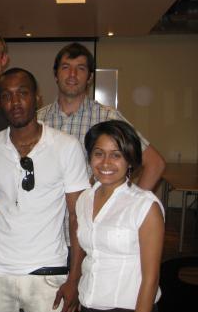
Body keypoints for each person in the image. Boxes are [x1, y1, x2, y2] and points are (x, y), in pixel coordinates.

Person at [0, 68, 90, 312]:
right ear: (0, 101)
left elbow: (78, 216)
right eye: (6, 95)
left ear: (36, 97)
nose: (15, 102)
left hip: (48, 272)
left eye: (22, 93)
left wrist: (75, 278)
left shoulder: (66, 147)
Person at [37, 42, 165, 246]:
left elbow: (155, 163)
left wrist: (126, 205)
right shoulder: (38, 121)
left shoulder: (108, 117)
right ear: (55, 74)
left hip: (92, 234)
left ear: (89, 78)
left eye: (80, 68)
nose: (72, 74)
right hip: (46, 234)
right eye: (65, 67)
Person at [77, 120, 165, 312]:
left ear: (130, 160)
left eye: (116, 155)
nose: (106, 162)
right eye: (99, 153)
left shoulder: (144, 206)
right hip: (89, 308)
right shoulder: (84, 199)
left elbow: (151, 278)